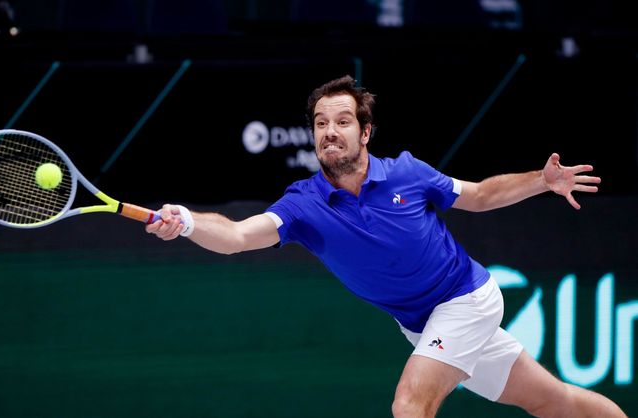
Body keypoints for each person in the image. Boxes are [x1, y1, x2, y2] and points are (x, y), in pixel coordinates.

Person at [146, 75, 627, 418]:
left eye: (342, 122)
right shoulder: (303, 205)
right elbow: (234, 237)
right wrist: (187, 221)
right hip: (420, 326)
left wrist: (540, 182)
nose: (330, 132)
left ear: (365, 132)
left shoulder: (407, 173)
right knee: (551, 402)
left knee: (409, 404)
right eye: (320, 124)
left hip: (467, 301)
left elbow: (479, 196)